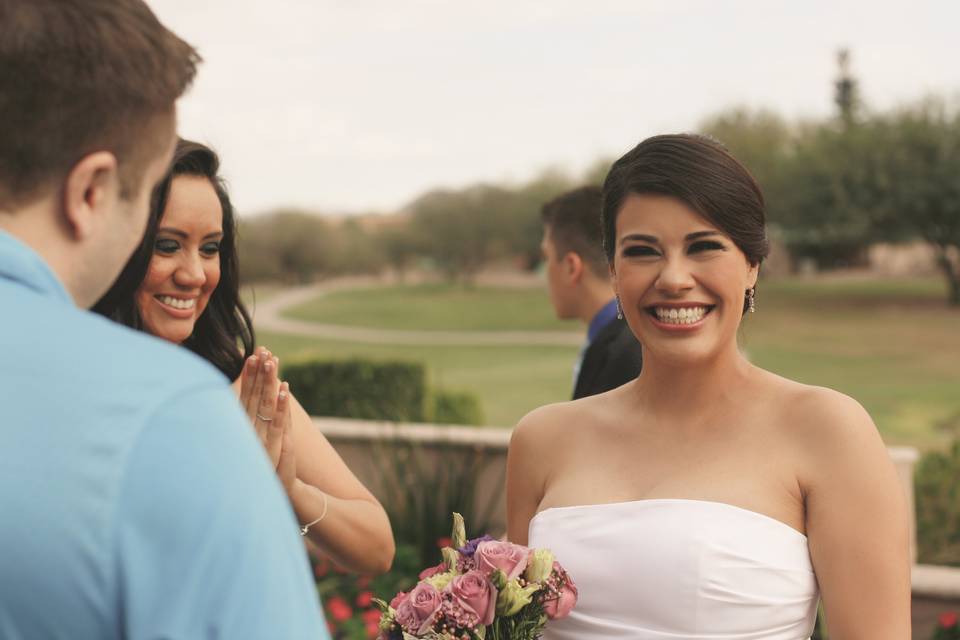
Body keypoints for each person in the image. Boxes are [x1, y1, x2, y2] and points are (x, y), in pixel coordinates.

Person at [0, 2, 328, 638]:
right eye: (148, 199)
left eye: (210, 248)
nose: (193, 272)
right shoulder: (165, 412)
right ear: (93, 190)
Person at [507, 134, 910, 639]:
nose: (674, 278)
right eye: (642, 251)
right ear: (613, 272)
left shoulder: (827, 430)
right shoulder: (542, 439)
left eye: (704, 247)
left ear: (751, 264)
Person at [94, 138, 395, 574]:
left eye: (210, 248)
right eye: (166, 245)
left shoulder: (241, 389)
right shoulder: (68, 382)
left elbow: (376, 549)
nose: (194, 274)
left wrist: (287, 488)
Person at [541, 186, 643, 398]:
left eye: (546, 258)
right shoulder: (622, 340)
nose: (545, 274)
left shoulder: (627, 356)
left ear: (571, 267)